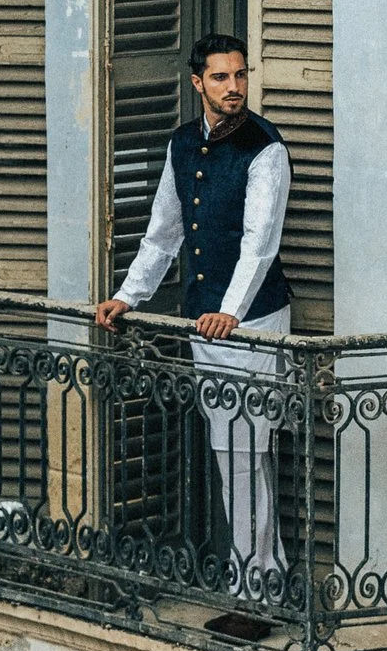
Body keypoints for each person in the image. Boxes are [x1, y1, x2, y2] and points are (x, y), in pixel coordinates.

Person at [94, 33, 292, 597]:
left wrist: (229, 312)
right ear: (197, 82)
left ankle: (255, 586)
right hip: (206, 322)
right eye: (222, 77)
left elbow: (260, 244)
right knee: (234, 456)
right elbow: (164, 231)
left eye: (240, 75)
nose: (235, 87)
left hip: (252, 322)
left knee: (246, 455)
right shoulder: (182, 144)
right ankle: (260, 579)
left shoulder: (265, 148)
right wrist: (128, 296)